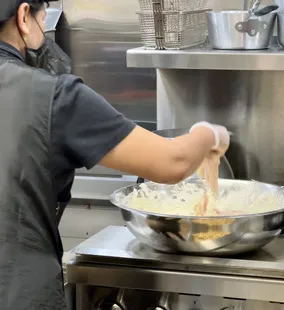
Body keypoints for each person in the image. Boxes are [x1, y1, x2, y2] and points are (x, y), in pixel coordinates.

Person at [0, 0, 230, 309]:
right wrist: (208, 134)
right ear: (24, 16)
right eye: (43, 24)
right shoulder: (52, 96)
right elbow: (172, 163)